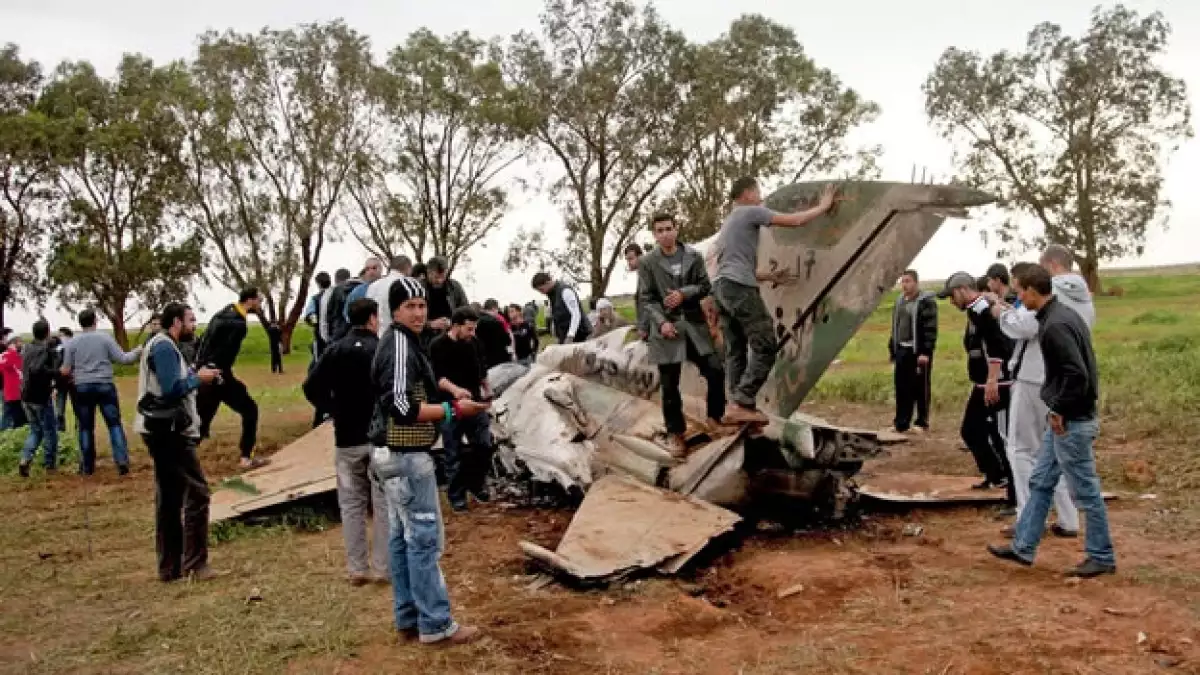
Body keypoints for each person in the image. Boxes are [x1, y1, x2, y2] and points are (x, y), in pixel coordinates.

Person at [369, 276, 488, 645]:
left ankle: (408, 617)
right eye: (410, 306)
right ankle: (436, 624)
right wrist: (452, 411)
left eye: (422, 305)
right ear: (395, 310)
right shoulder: (401, 346)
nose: (419, 312)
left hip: (392, 455)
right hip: (406, 456)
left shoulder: (399, 342)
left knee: (403, 539)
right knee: (424, 540)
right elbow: (401, 406)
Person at [987, 264, 1115, 578]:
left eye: (1019, 292)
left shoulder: (1055, 326)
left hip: (1071, 421)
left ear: (1032, 291)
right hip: (1066, 418)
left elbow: (1078, 375)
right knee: (1041, 481)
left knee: (1086, 491)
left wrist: (1058, 409)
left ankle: (1101, 556)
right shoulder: (1060, 316)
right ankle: (1023, 546)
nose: (1017, 297)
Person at [712, 177, 838, 424]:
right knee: (766, 344)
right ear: (748, 193)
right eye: (758, 191)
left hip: (722, 288)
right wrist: (823, 206)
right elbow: (794, 221)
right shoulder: (750, 212)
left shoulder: (729, 222)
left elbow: (731, 265)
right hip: (738, 288)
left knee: (736, 351)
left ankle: (734, 406)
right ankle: (742, 401)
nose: (761, 196)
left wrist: (769, 276)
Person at [303, 298, 389, 585]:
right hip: (378, 438)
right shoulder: (379, 350)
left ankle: (356, 568)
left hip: (346, 439)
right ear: (373, 319)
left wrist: (332, 408)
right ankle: (381, 567)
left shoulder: (334, 350)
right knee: (382, 503)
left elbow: (310, 386)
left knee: (351, 504)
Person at [991, 262, 1079, 539]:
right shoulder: (1079, 299)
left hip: (1032, 378)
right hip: (1056, 381)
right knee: (1053, 452)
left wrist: (1001, 314)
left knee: (1020, 449)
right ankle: (1068, 518)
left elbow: (1024, 326)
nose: (1019, 299)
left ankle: (1029, 519)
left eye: (1019, 293)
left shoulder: (1048, 305)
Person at [135, 302, 222, 582]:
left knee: (170, 497)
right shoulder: (163, 347)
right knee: (197, 493)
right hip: (169, 431)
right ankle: (195, 563)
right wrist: (200, 378)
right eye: (190, 320)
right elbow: (172, 389)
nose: (194, 325)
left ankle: (169, 566)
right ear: (176, 322)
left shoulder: (164, 346)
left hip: (160, 429)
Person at [637, 214, 726, 457]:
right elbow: (646, 298)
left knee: (715, 369)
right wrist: (661, 322)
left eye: (669, 228)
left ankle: (715, 417)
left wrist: (684, 294)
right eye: (660, 230)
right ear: (654, 235)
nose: (665, 233)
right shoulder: (648, 263)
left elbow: (705, 287)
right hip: (666, 329)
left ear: (676, 230)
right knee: (669, 384)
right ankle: (676, 433)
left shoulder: (693, 256)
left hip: (694, 325)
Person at [937, 272, 1015, 499]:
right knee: (973, 431)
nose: (952, 302)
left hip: (996, 383)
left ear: (962, 289)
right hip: (983, 382)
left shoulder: (982, 310)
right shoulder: (974, 310)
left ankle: (1013, 492)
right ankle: (996, 474)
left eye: (952, 296)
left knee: (1000, 437)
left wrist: (993, 379)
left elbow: (997, 345)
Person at [61, 309, 142, 475]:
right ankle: (121, 461)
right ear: (95, 321)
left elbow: (66, 369)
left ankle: (87, 466)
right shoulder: (104, 338)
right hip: (104, 384)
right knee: (113, 424)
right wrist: (138, 351)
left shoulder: (72, 343)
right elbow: (124, 359)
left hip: (82, 387)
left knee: (85, 427)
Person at [429, 307, 495, 512]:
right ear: (456, 326)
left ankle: (476, 484)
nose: (472, 333)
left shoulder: (474, 343)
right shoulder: (438, 345)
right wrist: (455, 390)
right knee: (453, 451)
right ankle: (457, 495)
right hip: (451, 405)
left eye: (474, 329)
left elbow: (481, 369)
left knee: (484, 445)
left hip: (474, 403)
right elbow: (437, 377)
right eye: (468, 329)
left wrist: (487, 388)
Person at [194, 287, 265, 469]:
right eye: (259, 301)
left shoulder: (224, 311)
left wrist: (201, 368)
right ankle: (245, 458)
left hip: (204, 374)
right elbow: (225, 354)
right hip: (219, 375)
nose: (260, 305)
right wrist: (219, 374)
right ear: (250, 300)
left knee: (201, 425)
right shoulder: (239, 325)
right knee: (250, 410)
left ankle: (177, 463)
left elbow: (204, 341)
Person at [887, 269, 938, 434]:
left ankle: (922, 422)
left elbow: (930, 329)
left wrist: (926, 352)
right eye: (902, 281)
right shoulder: (900, 301)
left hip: (918, 351)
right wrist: (893, 349)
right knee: (901, 387)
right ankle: (901, 422)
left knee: (920, 388)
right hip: (902, 349)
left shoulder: (926, 302)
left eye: (908, 281)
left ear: (916, 282)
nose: (904, 285)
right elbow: (895, 326)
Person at [18, 320, 60, 477]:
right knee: (50, 431)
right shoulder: (44, 350)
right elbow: (38, 370)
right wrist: (55, 373)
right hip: (40, 397)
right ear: (47, 332)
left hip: (25, 396)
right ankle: (50, 465)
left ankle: (25, 458)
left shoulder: (26, 348)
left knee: (35, 430)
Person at [1039, 244, 1097, 326]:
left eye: (1042, 266)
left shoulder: (1048, 290)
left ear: (1052, 264)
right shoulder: (1084, 289)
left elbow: (1029, 326)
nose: (1040, 271)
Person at [531, 272, 591, 345]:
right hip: (566, 336)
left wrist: (570, 336)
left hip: (580, 335)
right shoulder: (552, 294)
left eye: (541, 289)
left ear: (547, 282)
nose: (541, 293)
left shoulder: (565, 291)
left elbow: (576, 314)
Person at [366, 255, 413, 337]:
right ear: (408, 268)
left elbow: (366, 312)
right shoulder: (405, 285)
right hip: (396, 335)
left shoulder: (373, 286)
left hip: (374, 335)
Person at [422, 256, 470, 337]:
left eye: (442, 277)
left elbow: (466, 312)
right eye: (436, 277)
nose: (439, 281)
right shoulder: (418, 287)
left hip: (451, 336)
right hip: (425, 339)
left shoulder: (455, 287)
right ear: (428, 272)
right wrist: (430, 324)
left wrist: (453, 322)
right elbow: (410, 318)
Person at [324, 269, 362, 344]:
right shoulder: (362, 288)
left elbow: (329, 313)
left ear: (336, 279)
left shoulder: (336, 290)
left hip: (339, 331)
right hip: (358, 331)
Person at [0, 336, 26, 430]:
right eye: (20, 342)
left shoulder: (3, 355)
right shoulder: (14, 355)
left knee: (7, 413)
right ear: (14, 343)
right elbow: (21, 371)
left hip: (7, 388)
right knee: (18, 416)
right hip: (15, 389)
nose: (22, 345)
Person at [625, 243, 648, 340]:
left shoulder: (646, 274)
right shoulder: (641, 274)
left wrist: (643, 327)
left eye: (631, 258)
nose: (628, 262)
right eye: (627, 259)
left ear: (640, 257)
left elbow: (648, 302)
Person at [54, 327, 74, 432]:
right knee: (60, 411)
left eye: (61, 335)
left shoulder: (73, 346)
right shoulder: (59, 348)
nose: (60, 337)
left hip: (70, 381)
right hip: (62, 382)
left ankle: (77, 430)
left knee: (77, 409)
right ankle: (61, 431)